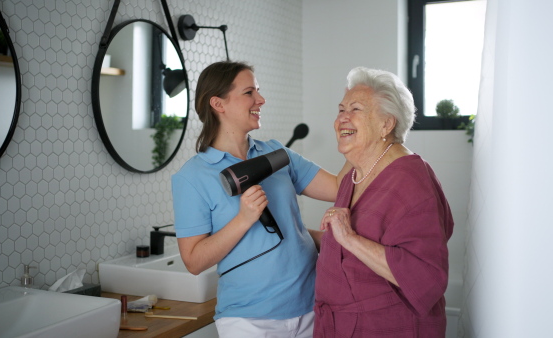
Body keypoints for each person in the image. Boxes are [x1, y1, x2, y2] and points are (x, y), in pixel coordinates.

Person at [172, 61, 343, 337]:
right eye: (249, 92)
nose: (261, 100)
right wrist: (243, 219)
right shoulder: (192, 177)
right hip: (249, 320)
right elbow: (194, 261)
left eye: (258, 91)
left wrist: (357, 140)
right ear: (218, 104)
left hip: (310, 306)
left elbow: (339, 187)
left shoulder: (275, 154)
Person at [313, 67, 454, 338]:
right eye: (341, 109)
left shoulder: (411, 180)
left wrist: (349, 238)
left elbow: (426, 277)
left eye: (355, 109)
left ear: (386, 124)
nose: (342, 118)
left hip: (389, 327)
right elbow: (345, 253)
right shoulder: (354, 175)